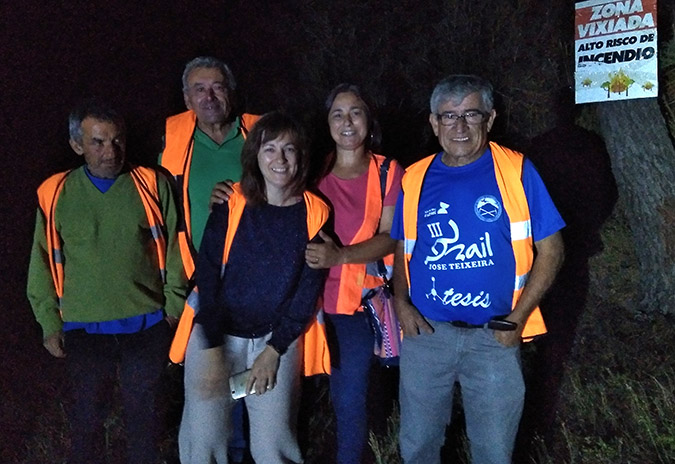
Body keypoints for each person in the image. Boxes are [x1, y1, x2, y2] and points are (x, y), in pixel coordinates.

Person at [391, 75, 565, 464]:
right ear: (434, 123)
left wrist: (518, 319)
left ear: (490, 119)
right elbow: (403, 248)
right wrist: (400, 301)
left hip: (494, 339)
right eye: (448, 116)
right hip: (427, 335)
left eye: (471, 114)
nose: (459, 126)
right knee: (418, 446)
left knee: (493, 451)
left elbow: (552, 250)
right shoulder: (414, 178)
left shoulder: (517, 171)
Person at [26, 100, 188, 464]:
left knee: (144, 426)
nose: (109, 151)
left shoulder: (150, 183)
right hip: (84, 328)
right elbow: (40, 260)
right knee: (86, 424)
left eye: (117, 141)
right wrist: (49, 322)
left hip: (147, 324)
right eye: (97, 142)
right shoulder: (56, 193)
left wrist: (174, 308)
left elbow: (178, 247)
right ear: (77, 145)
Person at [179, 111, 329, 464]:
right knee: (203, 444)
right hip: (216, 335)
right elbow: (208, 276)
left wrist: (274, 351)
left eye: (289, 150)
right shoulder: (232, 203)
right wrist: (213, 349)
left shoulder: (314, 212)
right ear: (255, 156)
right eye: (270, 149)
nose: (280, 160)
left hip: (275, 340)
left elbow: (306, 292)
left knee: (274, 446)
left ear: (301, 157)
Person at [160, 56, 259, 462]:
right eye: (199, 89)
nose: (209, 96)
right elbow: (164, 218)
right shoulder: (174, 145)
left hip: (257, 282)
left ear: (231, 91)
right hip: (202, 284)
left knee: (255, 390)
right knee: (208, 389)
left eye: (217, 86)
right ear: (186, 98)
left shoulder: (257, 134)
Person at [302, 84, 405, 464]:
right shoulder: (312, 167)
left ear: (369, 119)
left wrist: (340, 256)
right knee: (297, 396)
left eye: (355, 112)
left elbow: (392, 238)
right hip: (305, 304)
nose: (347, 121)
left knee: (350, 401)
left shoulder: (387, 171)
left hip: (356, 310)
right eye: (338, 114)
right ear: (327, 122)